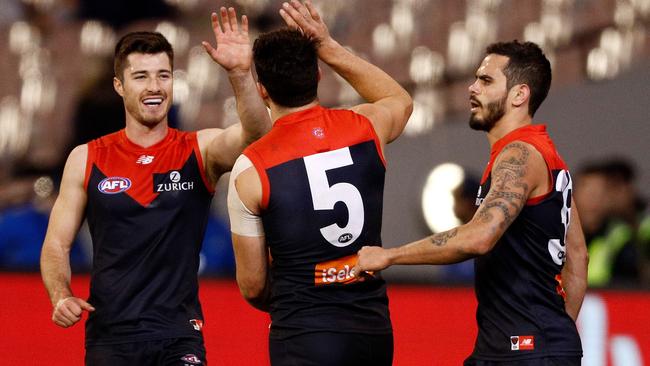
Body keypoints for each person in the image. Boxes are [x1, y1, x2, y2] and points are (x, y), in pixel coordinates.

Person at [39, 7, 270, 365]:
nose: (154, 87)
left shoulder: (200, 148)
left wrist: (241, 74)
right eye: (141, 76)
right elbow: (56, 244)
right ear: (120, 85)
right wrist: (60, 295)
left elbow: (257, 135)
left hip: (179, 336)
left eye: (164, 75)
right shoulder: (86, 158)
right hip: (110, 339)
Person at [356, 40, 588, 365]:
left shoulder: (519, 156)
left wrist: (390, 255)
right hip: (519, 347)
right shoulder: (545, 155)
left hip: (524, 351)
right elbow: (577, 255)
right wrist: (555, 331)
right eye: (477, 78)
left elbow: (480, 237)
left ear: (520, 95)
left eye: (486, 80)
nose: (472, 88)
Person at [224, 1, 412, 364]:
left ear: (262, 90)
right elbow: (399, 100)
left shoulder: (251, 168)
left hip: (303, 332)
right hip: (372, 329)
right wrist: (328, 45)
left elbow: (253, 286)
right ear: (319, 75)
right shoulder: (366, 126)